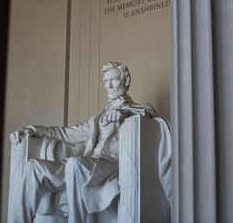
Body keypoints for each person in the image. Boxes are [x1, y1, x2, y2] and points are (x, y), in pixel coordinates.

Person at [9, 62, 158, 223]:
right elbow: (67, 133)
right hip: (84, 165)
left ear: (126, 81)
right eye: (105, 82)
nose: (108, 86)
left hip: (110, 165)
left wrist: (124, 112)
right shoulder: (98, 118)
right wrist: (34, 130)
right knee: (33, 167)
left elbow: (150, 114)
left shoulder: (139, 109)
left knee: (75, 164)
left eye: (113, 80)